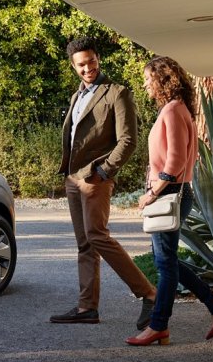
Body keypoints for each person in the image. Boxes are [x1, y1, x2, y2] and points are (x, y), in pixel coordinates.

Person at [126, 56, 213, 346]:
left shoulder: (173, 110)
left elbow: (175, 161)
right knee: (168, 261)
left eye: (149, 78)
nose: (145, 83)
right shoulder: (175, 109)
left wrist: (152, 193)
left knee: (165, 265)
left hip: (169, 193)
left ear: (163, 80)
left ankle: (158, 325)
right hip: (174, 192)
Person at [51, 37, 157, 327]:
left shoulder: (116, 93)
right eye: (81, 65)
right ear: (74, 66)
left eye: (91, 61)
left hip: (95, 177)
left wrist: (105, 170)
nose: (88, 69)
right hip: (73, 178)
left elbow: (128, 139)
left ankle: (149, 294)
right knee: (85, 244)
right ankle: (87, 308)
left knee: (98, 236)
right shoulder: (78, 96)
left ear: (98, 58)